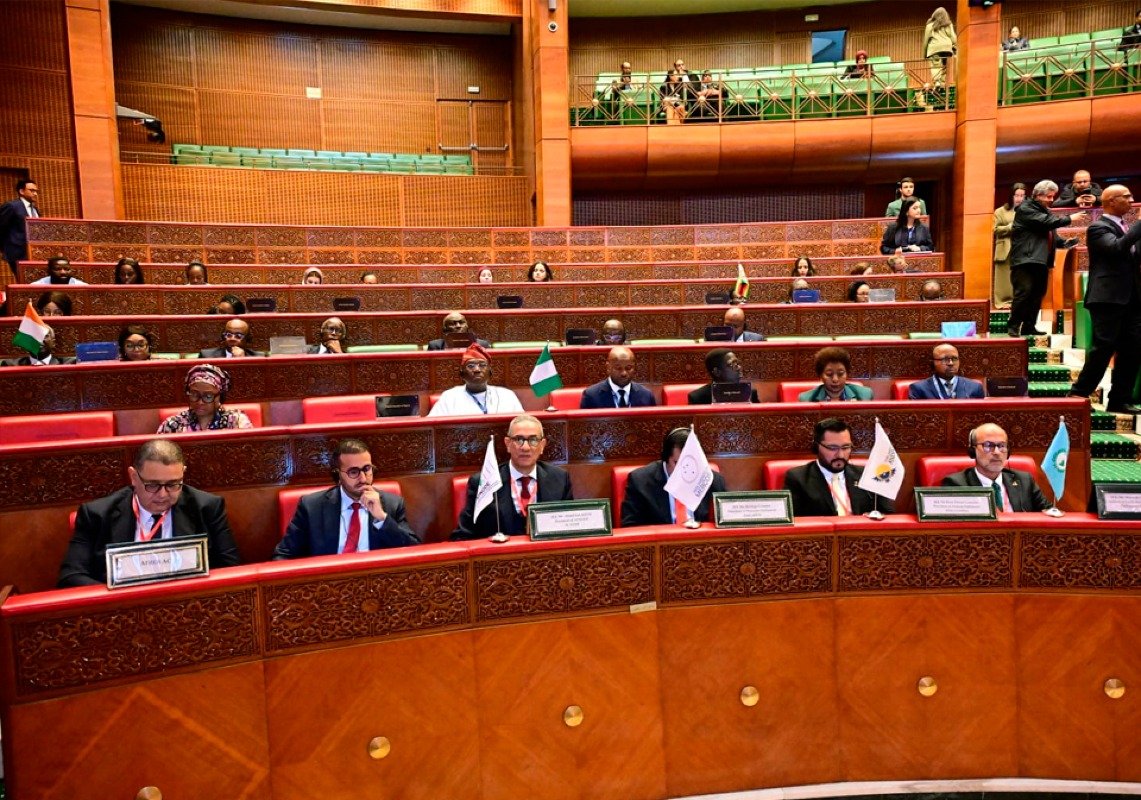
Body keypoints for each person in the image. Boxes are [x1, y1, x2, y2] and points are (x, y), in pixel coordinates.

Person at [57, 438, 241, 587]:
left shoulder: (207, 508)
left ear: (183, 474)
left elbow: (231, 569)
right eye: (152, 485)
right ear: (134, 477)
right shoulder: (97, 514)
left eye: (172, 484)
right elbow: (71, 576)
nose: (162, 495)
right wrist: (116, 598)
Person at [274, 438, 420, 559]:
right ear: (338, 476)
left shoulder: (391, 504)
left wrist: (382, 518)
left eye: (367, 469)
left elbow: (414, 552)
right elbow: (283, 555)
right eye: (353, 472)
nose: (363, 478)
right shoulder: (312, 506)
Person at [1067, 184, 1141, 414]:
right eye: (1126, 197)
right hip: (1107, 298)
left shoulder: (1125, 227)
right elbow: (1117, 249)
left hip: (1132, 298)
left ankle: (1119, 399)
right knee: (1103, 348)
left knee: (1133, 349)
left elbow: (1134, 255)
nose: (1131, 200)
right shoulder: (1098, 228)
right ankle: (1078, 394)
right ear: (1110, 201)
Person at [451, 414, 574, 540]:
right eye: (518, 439)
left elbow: (571, 530)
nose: (525, 447)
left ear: (542, 445)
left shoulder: (559, 479)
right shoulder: (484, 482)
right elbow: (462, 536)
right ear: (508, 444)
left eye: (533, 440)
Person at [1009, 179, 1087, 337]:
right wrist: (1070, 218)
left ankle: (1029, 326)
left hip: (1041, 260)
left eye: (1053, 196)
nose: (1052, 200)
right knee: (1024, 293)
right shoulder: (1025, 208)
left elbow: (1051, 234)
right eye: (1049, 197)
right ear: (1038, 195)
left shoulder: (1045, 210)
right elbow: (1047, 223)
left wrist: (1064, 243)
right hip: (1025, 259)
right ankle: (1014, 326)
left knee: (1038, 294)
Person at [783, 418, 892, 517]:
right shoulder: (798, 478)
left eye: (845, 447)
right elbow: (794, 521)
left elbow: (888, 516)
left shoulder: (866, 475)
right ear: (816, 447)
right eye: (832, 448)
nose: (840, 455)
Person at [620, 427, 727, 527]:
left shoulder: (712, 480)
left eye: (692, 463)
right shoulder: (640, 482)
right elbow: (630, 527)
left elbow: (728, 520)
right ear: (665, 458)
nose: (686, 471)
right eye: (678, 463)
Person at [941, 423, 1049, 511]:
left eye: (1002, 446)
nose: (997, 452)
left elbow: (1049, 513)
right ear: (973, 451)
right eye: (988, 445)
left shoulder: (1024, 480)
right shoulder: (957, 484)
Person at [428, 343, 524, 417]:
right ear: (462, 374)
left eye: (482, 365)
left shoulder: (507, 395)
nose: (477, 370)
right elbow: (433, 425)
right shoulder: (449, 397)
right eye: (471, 366)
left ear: (490, 372)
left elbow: (522, 423)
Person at [157, 364, 254, 433]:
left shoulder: (236, 421)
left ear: (220, 396)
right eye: (194, 394)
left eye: (208, 396)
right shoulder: (172, 424)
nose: (200, 402)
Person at [580, 346, 656, 409]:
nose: (624, 373)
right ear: (608, 367)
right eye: (618, 368)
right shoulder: (591, 396)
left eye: (628, 368)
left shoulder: (646, 396)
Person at [907, 343, 985, 399]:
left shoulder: (975, 387)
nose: (951, 363)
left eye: (954, 359)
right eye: (945, 359)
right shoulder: (918, 389)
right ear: (933, 362)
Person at [993, 182, 1026, 308]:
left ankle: (1018, 301)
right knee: (1004, 276)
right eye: (1017, 195)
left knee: (1020, 276)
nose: (1019, 199)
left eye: (1022, 195)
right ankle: (1003, 302)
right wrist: (1010, 227)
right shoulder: (1000, 211)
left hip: (1022, 246)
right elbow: (995, 229)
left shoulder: (1026, 211)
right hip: (1005, 246)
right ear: (1011, 196)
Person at [798, 346, 873, 402]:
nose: (835, 379)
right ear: (820, 376)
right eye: (829, 374)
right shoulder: (807, 399)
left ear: (847, 374)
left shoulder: (864, 395)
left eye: (840, 374)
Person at [688, 348, 758, 404]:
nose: (739, 368)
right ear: (717, 372)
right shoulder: (698, 398)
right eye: (733, 364)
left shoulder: (750, 393)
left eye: (738, 363)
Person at [0, 179, 40, 278]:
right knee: (24, 282)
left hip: (34, 253)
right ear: (21, 191)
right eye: (32, 190)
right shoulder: (11, 206)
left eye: (36, 191)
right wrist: (5, 249)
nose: (35, 194)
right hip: (18, 253)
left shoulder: (35, 210)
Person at [0, 324, 74, 366]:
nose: (39, 340)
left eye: (45, 336)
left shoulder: (68, 363)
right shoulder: (10, 365)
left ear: (53, 343)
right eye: (35, 336)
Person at [923, 7, 958, 89]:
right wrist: (953, 46)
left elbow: (926, 41)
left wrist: (924, 54)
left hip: (934, 49)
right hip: (947, 49)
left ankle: (937, 82)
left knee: (936, 66)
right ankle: (942, 83)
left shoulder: (930, 26)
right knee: (945, 66)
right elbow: (953, 38)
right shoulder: (948, 25)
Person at [198, 318, 265, 358]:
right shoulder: (206, 355)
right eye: (228, 334)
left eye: (238, 336)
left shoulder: (258, 357)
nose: (232, 338)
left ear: (247, 339)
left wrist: (243, 360)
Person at [426, 311, 492, 350]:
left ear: (467, 326)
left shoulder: (482, 344)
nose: (458, 326)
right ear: (445, 328)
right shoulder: (435, 345)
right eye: (453, 323)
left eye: (461, 322)